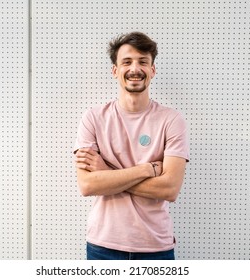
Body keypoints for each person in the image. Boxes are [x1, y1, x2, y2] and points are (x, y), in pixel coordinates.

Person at [73, 31, 189, 260]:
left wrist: (107, 174)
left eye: (143, 62)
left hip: (156, 247)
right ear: (115, 70)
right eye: (126, 62)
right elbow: (87, 185)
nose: (135, 69)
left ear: (152, 70)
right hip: (102, 246)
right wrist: (146, 170)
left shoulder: (172, 120)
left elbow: (170, 189)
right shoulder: (93, 118)